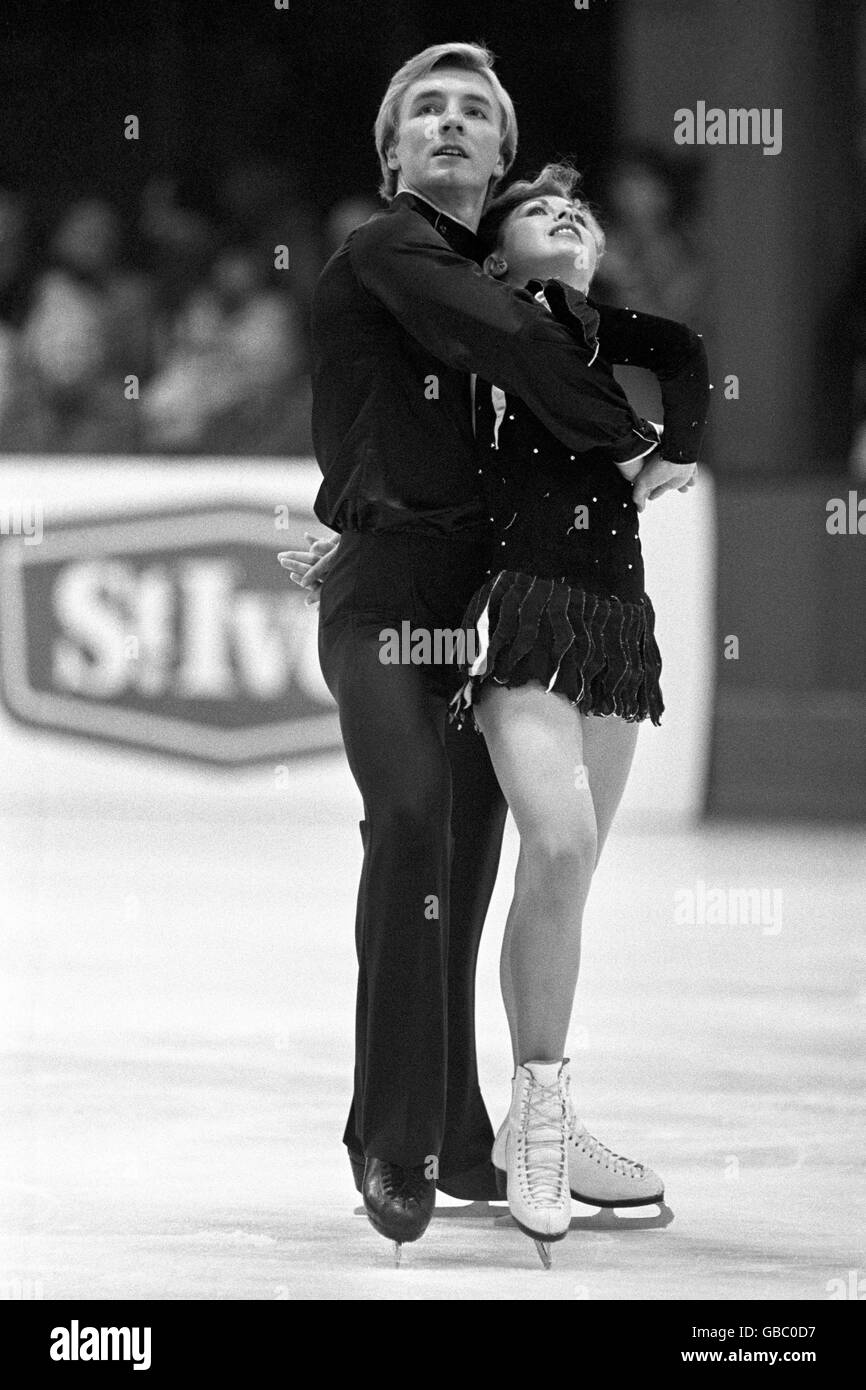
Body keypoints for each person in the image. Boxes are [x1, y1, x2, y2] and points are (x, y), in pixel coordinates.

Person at [279, 41, 691, 1261]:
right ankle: (389, 1139)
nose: (449, 126)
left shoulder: (524, 288)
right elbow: (512, 346)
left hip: (485, 609)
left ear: (501, 157)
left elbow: (573, 360)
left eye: (473, 115)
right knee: (410, 822)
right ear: (394, 151)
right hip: (387, 597)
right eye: (426, 113)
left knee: (463, 868)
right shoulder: (392, 249)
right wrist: (630, 435)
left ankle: (476, 1138)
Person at [443, 163, 708, 1253]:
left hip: (613, 618)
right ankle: (538, 1129)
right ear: (497, 255)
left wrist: (674, 454)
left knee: (569, 875)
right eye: (540, 212)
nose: (568, 219)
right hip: (520, 609)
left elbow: (684, 354)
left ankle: (536, 1109)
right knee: (556, 841)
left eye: (579, 216)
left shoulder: (602, 335)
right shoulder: (485, 331)